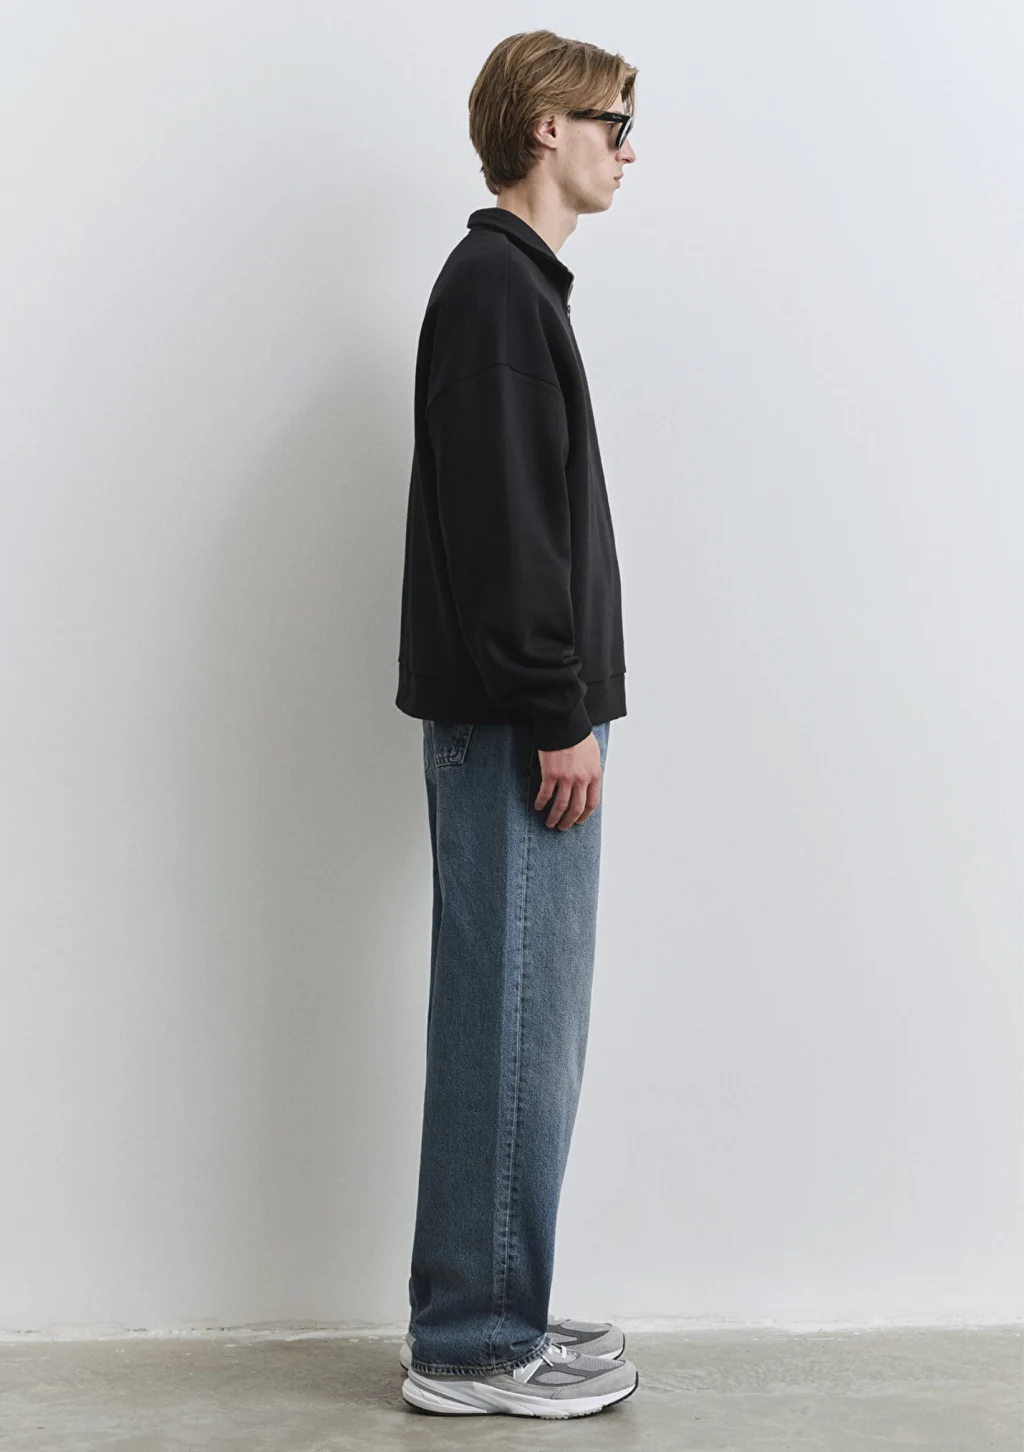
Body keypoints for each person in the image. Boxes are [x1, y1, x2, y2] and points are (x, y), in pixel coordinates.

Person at [394, 28, 639, 1419]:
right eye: (613, 123)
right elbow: (505, 532)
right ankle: (478, 1342)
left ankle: (493, 1304)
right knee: (512, 1023)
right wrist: (558, 709)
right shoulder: (497, 290)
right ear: (547, 125)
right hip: (516, 726)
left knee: (518, 1019)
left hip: (515, 717)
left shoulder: (513, 288)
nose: (626, 151)